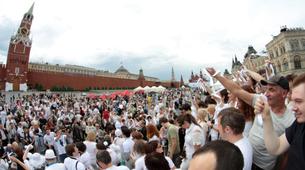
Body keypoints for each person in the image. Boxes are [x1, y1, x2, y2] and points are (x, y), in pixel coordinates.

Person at [206, 67, 295, 170]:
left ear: (284, 93)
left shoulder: (291, 120)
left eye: (272, 90)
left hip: (263, 166)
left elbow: (287, 154)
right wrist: (217, 75)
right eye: (266, 89)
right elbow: (237, 90)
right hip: (246, 155)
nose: (266, 93)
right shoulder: (260, 100)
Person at [254, 73, 305, 169]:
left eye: (298, 101)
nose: (293, 108)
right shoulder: (298, 125)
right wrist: (266, 116)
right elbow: (276, 148)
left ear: (284, 94)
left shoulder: (293, 119)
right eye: (293, 101)